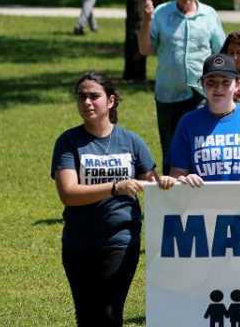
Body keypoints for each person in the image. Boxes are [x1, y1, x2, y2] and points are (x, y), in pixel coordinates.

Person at [51, 72, 175, 326]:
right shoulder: (68, 142)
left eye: (94, 96)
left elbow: (152, 185)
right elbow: (68, 194)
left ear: (110, 101)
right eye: (82, 97)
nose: (87, 102)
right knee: (86, 316)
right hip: (79, 243)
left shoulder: (131, 141)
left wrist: (168, 182)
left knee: (109, 313)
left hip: (121, 239)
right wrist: (115, 187)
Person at [138, 0, 227, 174]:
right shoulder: (161, 13)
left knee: (201, 146)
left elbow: (220, 52)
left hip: (201, 93)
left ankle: (200, 191)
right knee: (171, 149)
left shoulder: (208, 14)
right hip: (168, 93)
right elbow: (145, 49)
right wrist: (147, 19)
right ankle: (172, 197)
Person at [169, 54, 240, 185]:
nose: (218, 88)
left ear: (237, 84)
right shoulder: (188, 123)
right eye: (211, 82)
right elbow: (177, 171)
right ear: (202, 84)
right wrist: (182, 179)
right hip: (203, 203)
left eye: (226, 82)